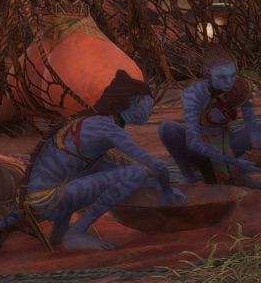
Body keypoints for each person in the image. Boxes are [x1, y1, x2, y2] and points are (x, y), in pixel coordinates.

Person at [20, 72, 187, 248]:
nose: (150, 113)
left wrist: (154, 185)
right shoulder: (109, 129)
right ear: (137, 101)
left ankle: (59, 233)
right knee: (136, 173)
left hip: (40, 200)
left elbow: (103, 167)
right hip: (49, 201)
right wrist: (167, 191)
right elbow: (157, 166)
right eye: (149, 107)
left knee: (91, 171)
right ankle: (75, 233)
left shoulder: (93, 122)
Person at [162, 47, 261, 189]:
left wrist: (260, 140)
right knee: (167, 128)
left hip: (227, 142)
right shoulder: (193, 94)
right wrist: (232, 161)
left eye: (233, 75)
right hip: (199, 150)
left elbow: (251, 127)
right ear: (208, 72)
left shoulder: (241, 88)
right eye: (222, 77)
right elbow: (193, 142)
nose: (229, 82)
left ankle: (240, 172)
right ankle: (188, 175)